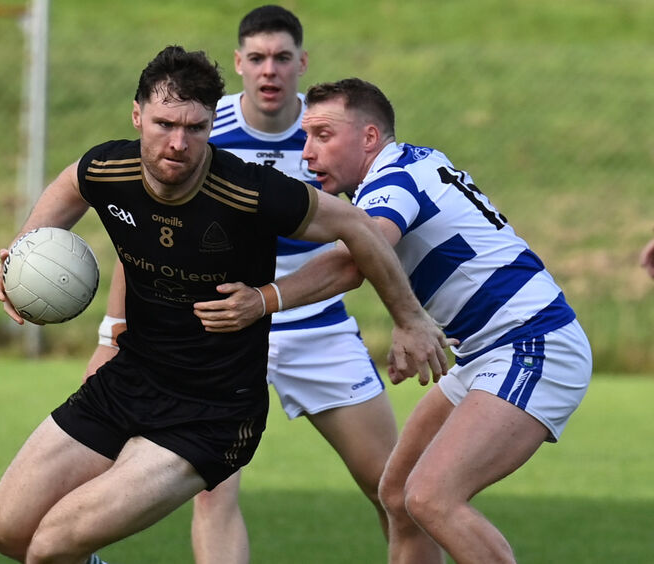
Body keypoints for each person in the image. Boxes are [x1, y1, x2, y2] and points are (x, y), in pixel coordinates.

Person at [0, 48, 449, 564]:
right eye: (164, 124)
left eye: (196, 128)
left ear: (211, 124)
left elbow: (357, 227)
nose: (178, 143)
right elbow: (74, 181)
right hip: (129, 383)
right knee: (6, 531)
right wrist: (22, 253)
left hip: (212, 413)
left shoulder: (248, 191)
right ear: (137, 115)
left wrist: (409, 318)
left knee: (51, 545)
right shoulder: (109, 167)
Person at [194, 78, 592, 564]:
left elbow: (353, 261)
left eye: (323, 135)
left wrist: (263, 300)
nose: (307, 151)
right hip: (486, 353)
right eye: (305, 135)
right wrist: (409, 323)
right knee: (400, 495)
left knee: (432, 497)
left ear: (368, 137)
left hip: (533, 344)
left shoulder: (393, 181)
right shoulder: (411, 164)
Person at [85, 6, 400, 563]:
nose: (269, 71)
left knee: (392, 488)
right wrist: (111, 335)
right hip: (215, 330)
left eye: (282, 58)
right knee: (211, 493)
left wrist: (409, 317)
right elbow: (139, 237)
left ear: (302, 63)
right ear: (239, 64)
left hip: (315, 327)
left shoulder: (329, 135)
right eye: (256, 58)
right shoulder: (199, 129)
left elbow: (372, 232)